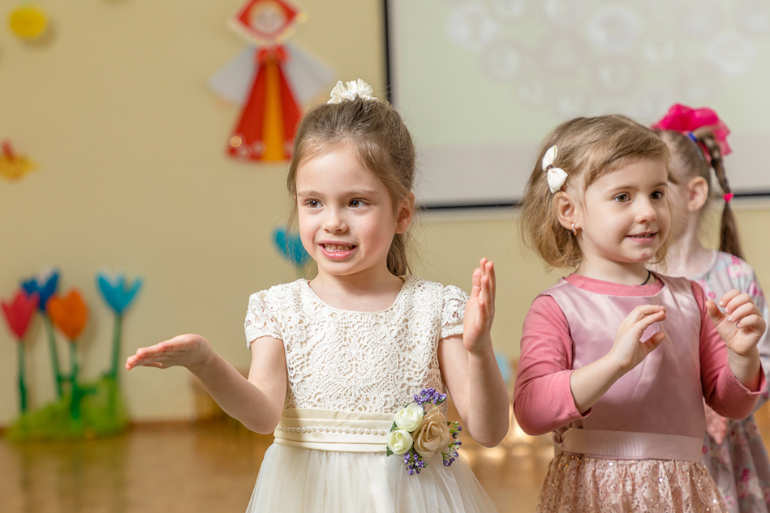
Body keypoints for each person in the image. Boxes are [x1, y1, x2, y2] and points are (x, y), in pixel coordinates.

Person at [126, 79, 509, 513]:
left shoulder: (435, 308)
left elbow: (490, 431)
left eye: (356, 202)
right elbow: (261, 416)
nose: (333, 222)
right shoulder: (279, 309)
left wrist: (479, 351)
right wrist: (205, 362)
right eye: (313, 203)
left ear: (402, 212)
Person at [512, 114, 767, 512]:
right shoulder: (556, 307)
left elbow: (731, 405)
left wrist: (743, 355)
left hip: (681, 495)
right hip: (594, 496)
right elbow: (530, 410)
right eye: (623, 197)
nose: (647, 211)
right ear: (569, 211)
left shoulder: (690, 298)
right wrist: (614, 363)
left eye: (657, 193)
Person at [652, 103, 770, 512]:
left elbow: (763, 364)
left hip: (720, 457)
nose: (644, 205)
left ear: (694, 193)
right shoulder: (635, 279)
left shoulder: (735, 276)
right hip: (654, 457)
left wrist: (721, 398)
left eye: (657, 189)